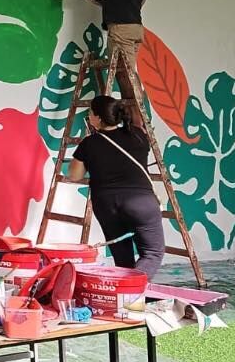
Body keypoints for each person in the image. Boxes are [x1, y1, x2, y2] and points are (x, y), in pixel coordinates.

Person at [68, 96, 165, 278]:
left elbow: (74, 175)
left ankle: (125, 290)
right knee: (152, 253)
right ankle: (129, 289)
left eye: (90, 113)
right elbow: (138, 125)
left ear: (98, 118)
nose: (89, 116)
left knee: (123, 259)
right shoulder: (138, 135)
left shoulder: (89, 143)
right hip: (140, 202)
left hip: (106, 205)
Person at [77, 0, 155, 129]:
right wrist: (101, 1)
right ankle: (137, 124)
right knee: (127, 74)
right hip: (135, 28)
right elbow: (137, 4)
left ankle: (139, 128)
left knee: (126, 76)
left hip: (121, 29)